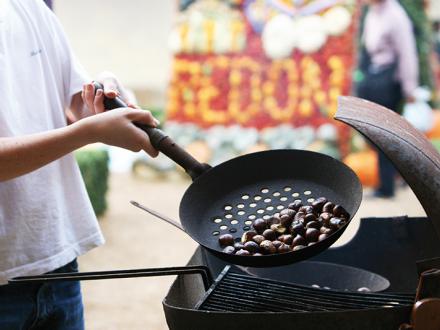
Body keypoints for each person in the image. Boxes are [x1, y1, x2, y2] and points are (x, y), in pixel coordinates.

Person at [0, 0, 159, 329]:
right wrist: (86, 133)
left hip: (57, 262)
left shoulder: (28, 6)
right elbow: (80, 127)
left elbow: (76, 102)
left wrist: (102, 102)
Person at [355, 0, 419, 198]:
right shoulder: (373, 11)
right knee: (374, 134)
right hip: (373, 79)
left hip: (388, 83)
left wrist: (410, 88)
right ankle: (397, 177)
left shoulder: (395, 15)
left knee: (384, 135)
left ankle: (387, 186)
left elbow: (407, 53)